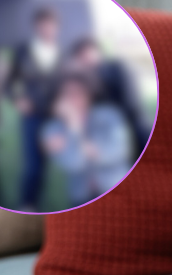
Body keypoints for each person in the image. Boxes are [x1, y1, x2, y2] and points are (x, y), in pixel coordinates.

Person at [40, 73, 133, 208]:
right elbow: (74, 164)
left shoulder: (110, 116)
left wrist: (76, 134)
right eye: (67, 94)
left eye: (79, 92)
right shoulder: (53, 130)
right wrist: (74, 126)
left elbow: (118, 151)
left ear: (89, 94)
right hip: (81, 197)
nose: (73, 98)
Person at [9, 6, 65, 211]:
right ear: (36, 27)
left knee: (67, 164)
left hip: (56, 117)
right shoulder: (23, 51)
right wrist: (18, 100)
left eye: (51, 26)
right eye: (42, 26)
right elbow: (7, 83)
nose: (47, 30)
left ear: (57, 28)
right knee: (33, 166)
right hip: (31, 117)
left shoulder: (64, 53)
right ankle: (27, 206)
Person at [68, 37, 149, 154]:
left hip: (132, 125)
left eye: (89, 52)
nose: (86, 58)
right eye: (81, 56)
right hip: (109, 133)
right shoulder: (83, 81)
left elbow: (132, 103)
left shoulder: (117, 67)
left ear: (98, 52)